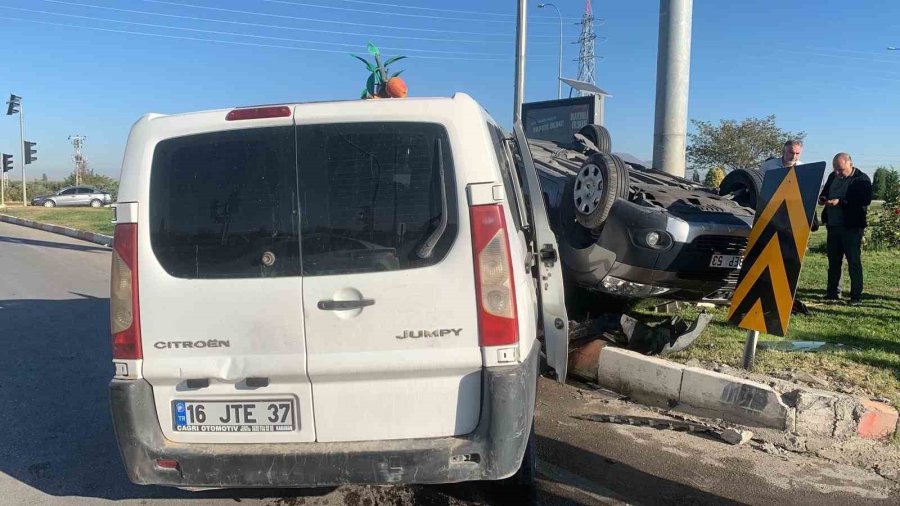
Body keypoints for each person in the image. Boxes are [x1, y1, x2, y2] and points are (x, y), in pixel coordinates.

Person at [819, 153, 873, 305]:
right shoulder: (832, 176)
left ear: (850, 164)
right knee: (834, 261)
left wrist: (841, 202)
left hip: (851, 227)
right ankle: (832, 293)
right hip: (833, 225)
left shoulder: (861, 179)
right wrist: (823, 199)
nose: (837, 172)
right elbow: (825, 192)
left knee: (853, 261)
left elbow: (865, 200)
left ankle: (856, 296)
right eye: (835, 169)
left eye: (841, 170)